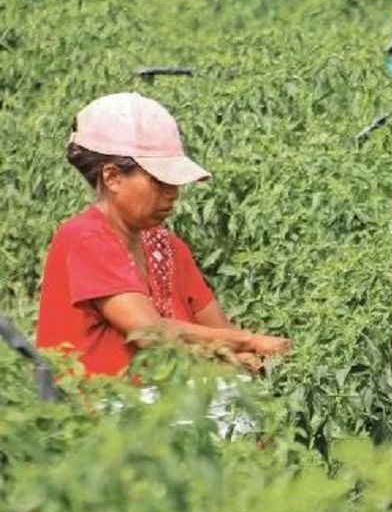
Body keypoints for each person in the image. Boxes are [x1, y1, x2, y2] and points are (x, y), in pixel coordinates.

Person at [36, 93, 291, 378]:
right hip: (98, 411)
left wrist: (242, 356)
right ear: (112, 177)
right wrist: (251, 342)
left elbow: (221, 332)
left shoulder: (169, 248)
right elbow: (150, 334)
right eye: (159, 181)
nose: (173, 193)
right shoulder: (85, 238)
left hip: (164, 406)